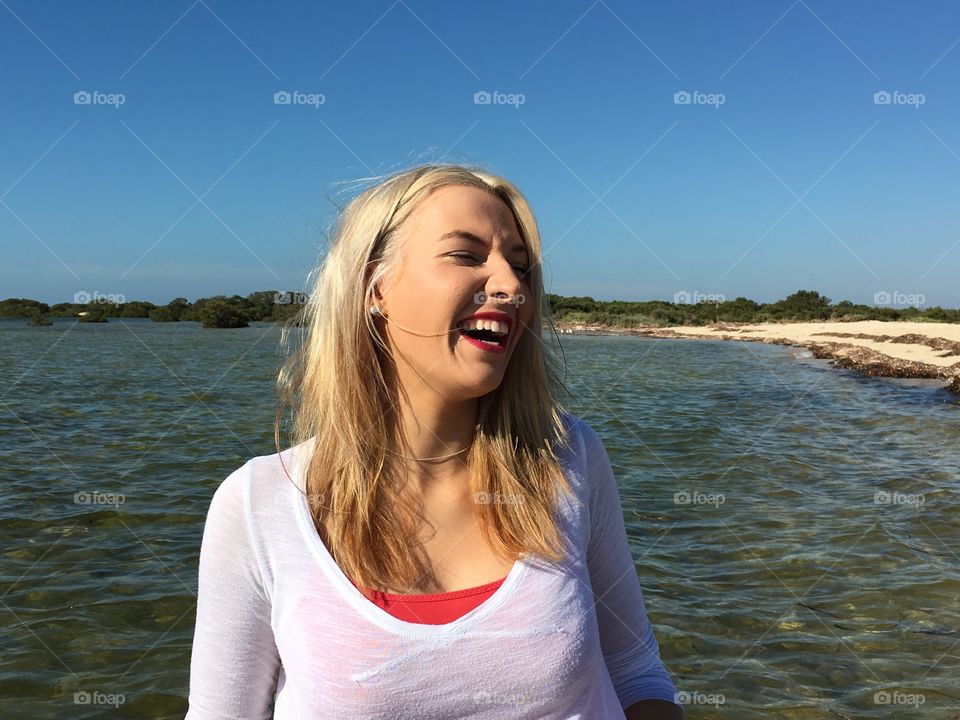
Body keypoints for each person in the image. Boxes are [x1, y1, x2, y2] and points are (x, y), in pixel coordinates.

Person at [185, 163, 685, 719]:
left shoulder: (569, 457)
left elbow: (637, 675)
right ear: (376, 289)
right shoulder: (260, 503)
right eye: (467, 255)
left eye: (519, 266)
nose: (512, 285)